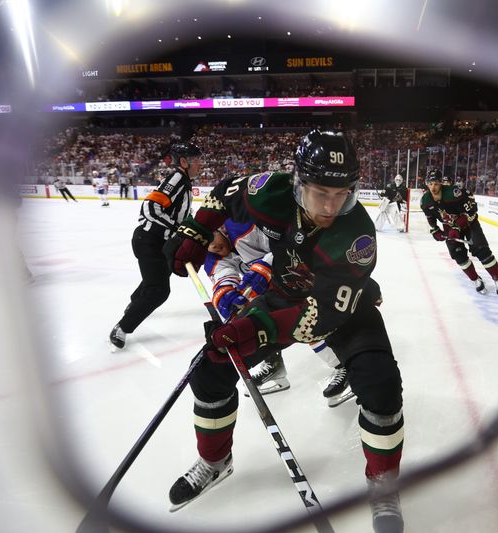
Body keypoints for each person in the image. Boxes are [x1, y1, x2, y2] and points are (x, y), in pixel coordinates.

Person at [163, 130, 404, 532]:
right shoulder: (270, 191)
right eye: (320, 193)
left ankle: (384, 484)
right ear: (298, 184)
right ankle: (215, 461)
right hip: (285, 293)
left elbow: (321, 317)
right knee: (209, 367)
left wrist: (256, 329)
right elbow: (226, 191)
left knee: (380, 385)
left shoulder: (356, 235)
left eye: (342, 194)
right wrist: (197, 230)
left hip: (345, 307)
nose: (331, 206)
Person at [204, 221, 358, 406]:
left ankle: (344, 365)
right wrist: (225, 292)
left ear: (218, 228)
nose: (211, 246)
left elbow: (290, 242)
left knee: (308, 321)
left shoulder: (242, 227)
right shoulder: (213, 254)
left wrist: (264, 267)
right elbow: (223, 273)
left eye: (210, 238)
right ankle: (274, 366)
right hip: (274, 287)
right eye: (205, 245)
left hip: (302, 272)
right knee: (254, 318)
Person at [108, 142, 203, 350]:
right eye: (196, 160)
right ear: (184, 162)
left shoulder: (184, 182)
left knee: (156, 279)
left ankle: (134, 304)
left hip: (159, 242)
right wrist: (176, 231)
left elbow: (180, 215)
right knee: (158, 290)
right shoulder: (177, 178)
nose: (200, 164)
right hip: (149, 241)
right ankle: (122, 327)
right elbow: (150, 208)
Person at [421, 169, 498, 297]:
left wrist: (457, 227)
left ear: (441, 184)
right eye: (430, 183)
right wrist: (435, 229)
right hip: (450, 226)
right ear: (427, 183)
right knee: (458, 255)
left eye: (436, 184)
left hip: (468, 224)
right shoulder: (426, 201)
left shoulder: (453, 193)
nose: (433, 187)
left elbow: (470, 212)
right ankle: (476, 279)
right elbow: (430, 217)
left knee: (481, 250)